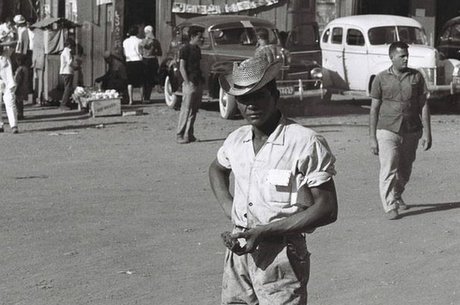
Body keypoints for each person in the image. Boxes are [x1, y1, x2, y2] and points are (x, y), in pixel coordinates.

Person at [209, 56, 338, 305]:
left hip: (281, 254)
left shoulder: (304, 142)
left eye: (259, 96)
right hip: (239, 254)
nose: (251, 106)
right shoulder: (236, 140)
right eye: (244, 99)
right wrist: (230, 208)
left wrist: (265, 231)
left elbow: (327, 209)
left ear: (275, 96)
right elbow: (216, 169)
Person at [369, 41, 432, 220]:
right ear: (392, 57)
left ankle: (397, 193)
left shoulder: (416, 77)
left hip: (411, 129)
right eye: (401, 56)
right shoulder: (380, 79)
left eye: (407, 56)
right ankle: (389, 205)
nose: (405, 59)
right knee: (389, 166)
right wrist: (372, 138)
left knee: (405, 169)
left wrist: (427, 132)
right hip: (387, 130)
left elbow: (424, 105)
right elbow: (374, 109)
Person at [176, 27, 204, 144]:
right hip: (190, 82)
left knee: (194, 110)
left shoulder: (197, 49)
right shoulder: (185, 49)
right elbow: (182, 67)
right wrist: (186, 82)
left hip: (197, 81)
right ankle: (180, 134)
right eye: (199, 36)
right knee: (186, 109)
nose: (201, 38)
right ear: (193, 37)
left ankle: (189, 134)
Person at [139, 25, 162, 102]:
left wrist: (143, 54)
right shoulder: (156, 42)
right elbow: (160, 52)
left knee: (144, 80)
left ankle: (142, 98)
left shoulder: (142, 41)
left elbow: (140, 51)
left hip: (144, 60)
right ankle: (147, 98)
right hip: (152, 60)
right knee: (150, 80)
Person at [122, 25, 143, 105]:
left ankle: (131, 100)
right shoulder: (140, 41)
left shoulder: (125, 41)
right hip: (138, 61)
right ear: (137, 32)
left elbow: (124, 53)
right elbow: (141, 52)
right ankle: (141, 99)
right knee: (141, 82)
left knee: (130, 82)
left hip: (129, 62)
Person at [0, 46, 19, 133]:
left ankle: (14, 125)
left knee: (10, 103)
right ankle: (0, 125)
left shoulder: (6, 53)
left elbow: (14, 43)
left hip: (8, 83)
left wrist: (3, 42)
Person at [59, 38, 75, 110]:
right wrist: (76, 65)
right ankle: (64, 104)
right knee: (68, 88)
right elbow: (70, 62)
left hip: (64, 71)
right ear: (69, 45)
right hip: (68, 71)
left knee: (67, 88)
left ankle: (66, 103)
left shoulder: (63, 52)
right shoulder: (67, 52)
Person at [13, 53, 29, 120]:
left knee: (18, 102)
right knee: (20, 102)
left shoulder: (20, 69)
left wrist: (15, 88)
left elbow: (18, 80)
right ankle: (21, 114)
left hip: (19, 88)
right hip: (24, 87)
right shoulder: (25, 68)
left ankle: (19, 114)